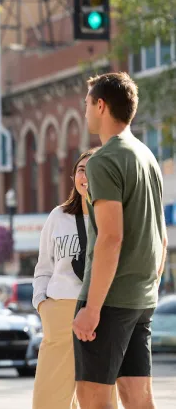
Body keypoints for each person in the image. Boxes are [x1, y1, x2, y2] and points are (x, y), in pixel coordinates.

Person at [73, 72, 168, 409]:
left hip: (110, 300)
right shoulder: (147, 156)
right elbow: (162, 234)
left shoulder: (104, 160)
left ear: (101, 105)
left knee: (92, 395)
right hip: (141, 298)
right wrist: (150, 286)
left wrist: (92, 308)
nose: (84, 111)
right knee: (138, 396)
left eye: (87, 104)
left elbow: (111, 238)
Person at [32, 148, 119, 409]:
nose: (86, 175)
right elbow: (44, 266)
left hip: (102, 310)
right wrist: (41, 303)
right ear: (73, 177)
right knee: (49, 400)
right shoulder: (58, 216)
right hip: (59, 310)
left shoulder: (114, 216)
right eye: (82, 169)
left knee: (99, 397)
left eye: (94, 169)